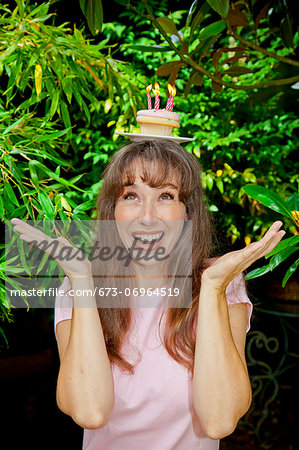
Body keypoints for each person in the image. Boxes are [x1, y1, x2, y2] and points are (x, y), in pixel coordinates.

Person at [11, 140, 286, 449]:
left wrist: (212, 288)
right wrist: (80, 280)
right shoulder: (79, 285)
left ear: (186, 212)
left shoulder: (223, 283)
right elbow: (90, 412)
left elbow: (219, 420)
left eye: (165, 196)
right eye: (131, 196)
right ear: (113, 211)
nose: (147, 216)